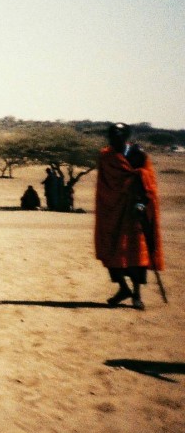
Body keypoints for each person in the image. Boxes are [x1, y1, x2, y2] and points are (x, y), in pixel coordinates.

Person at [95, 122, 164, 310]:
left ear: (125, 137)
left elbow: (148, 181)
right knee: (110, 249)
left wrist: (142, 202)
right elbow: (105, 185)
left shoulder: (138, 155)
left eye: (119, 136)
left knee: (135, 254)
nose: (115, 140)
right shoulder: (106, 156)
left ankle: (136, 295)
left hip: (135, 211)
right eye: (112, 137)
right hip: (112, 211)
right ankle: (123, 289)